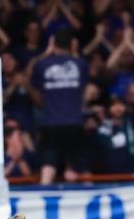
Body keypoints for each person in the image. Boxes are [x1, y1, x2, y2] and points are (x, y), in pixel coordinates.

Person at [29, 28, 89, 183]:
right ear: (72, 45)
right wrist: (74, 52)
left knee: (48, 165)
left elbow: (29, 75)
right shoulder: (81, 64)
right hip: (74, 122)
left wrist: (47, 52)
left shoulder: (42, 64)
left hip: (50, 123)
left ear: (52, 44)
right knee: (75, 168)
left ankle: (43, 196)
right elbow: (84, 91)